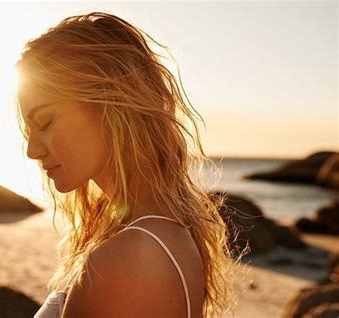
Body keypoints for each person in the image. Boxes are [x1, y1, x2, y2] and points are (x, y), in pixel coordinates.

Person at [14, 12, 240, 317]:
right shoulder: (169, 232)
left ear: (110, 104)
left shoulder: (129, 256)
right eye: (30, 131)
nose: (32, 150)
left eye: (45, 121)